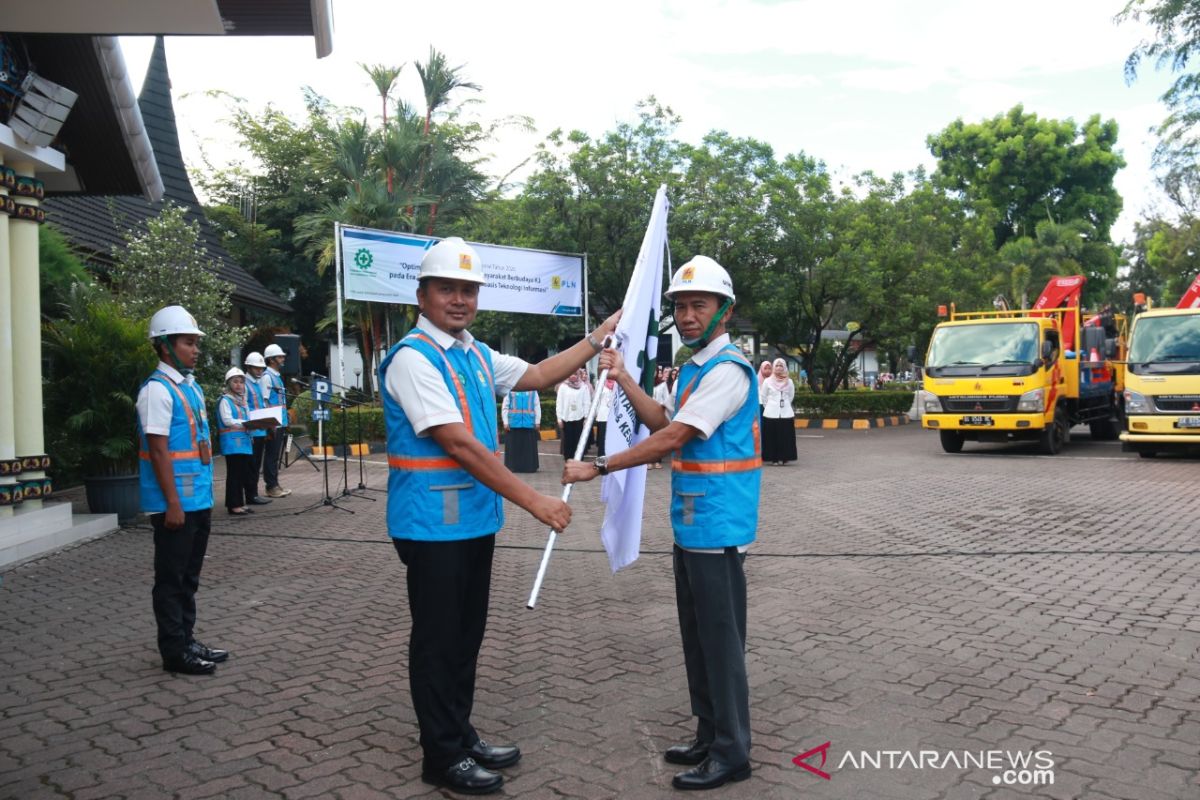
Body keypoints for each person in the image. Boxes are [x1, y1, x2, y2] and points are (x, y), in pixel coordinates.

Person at [379, 236, 621, 795]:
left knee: (465, 638)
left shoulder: (474, 353)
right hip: (430, 527)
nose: (459, 299)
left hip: (472, 523)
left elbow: (538, 375)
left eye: (468, 289)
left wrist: (595, 339)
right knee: (438, 642)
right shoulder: (414, 359)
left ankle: (460, 734)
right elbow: (459, 444)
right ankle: (441, 755)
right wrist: (536, 501)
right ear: (422, 294)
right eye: (447, 289)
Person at [563, 255, 759, 791]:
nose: (689, 314)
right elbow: (661, 419)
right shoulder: (695, 369)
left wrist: (600, 465)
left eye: (700, 304)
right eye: (681, 306)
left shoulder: (727, 371)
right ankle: (708, 732)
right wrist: (624, 376)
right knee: (697, 638)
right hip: (692, 523)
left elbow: (674, 439)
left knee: (720, 642)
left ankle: (732, 751)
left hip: (719, 526)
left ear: (726, 311)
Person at [135, 305, 228, 676]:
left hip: (197, 499)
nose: (195, 349)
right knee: (171, 580)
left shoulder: (188, 387)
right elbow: (158, 450)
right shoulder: (156, 391)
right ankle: (174, 651)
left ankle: (187, 639)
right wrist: (172, 503)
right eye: (189, 343)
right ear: (164, 346)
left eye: (195, 343)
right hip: (176, 504)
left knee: (189, 577)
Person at [218, 367, 255, 515]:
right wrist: (245, 423)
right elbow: (227, 420)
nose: (239, 385)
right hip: (232, 443)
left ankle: (240, 503)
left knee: (242, 474)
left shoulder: (242, 401)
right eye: (235, 382)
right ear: (229, 384)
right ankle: (233, 505)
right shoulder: (225, 400)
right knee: (234, 474)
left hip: (244, 443)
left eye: (241, 382)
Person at [260, 343, 291, 498]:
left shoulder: (276, 377)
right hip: (273, 423)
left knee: (275, 456)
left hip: (280, 421)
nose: (282, 358)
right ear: (271, 359)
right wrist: (270, 423)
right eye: (279, 356)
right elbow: (264, 401)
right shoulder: (267, 377)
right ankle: (271, 486)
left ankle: (275, 484)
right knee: (271, 455)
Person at [241, 352, 272, 506]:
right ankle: (251, 495)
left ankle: (253, 493)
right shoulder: (245, 384)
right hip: (252, 431)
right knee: (251, 465)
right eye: (256, 368)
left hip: (260, 430)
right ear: (249, 367)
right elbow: (245, 407)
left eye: (261, 368)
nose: (260, 371)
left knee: (256, 464)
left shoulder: (256, 383)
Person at [759, 358, 797, 466]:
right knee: (772, 437)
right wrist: (771, 406)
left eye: (781, 366)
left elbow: (791, 395)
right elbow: (764, 396)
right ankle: (774, 459)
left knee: (785, 437)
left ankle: (785, 458)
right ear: (773, 368)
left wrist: (785, 404)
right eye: (777, 365)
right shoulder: (767, 381)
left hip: (786, 413)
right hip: (771, 413)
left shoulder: (789, 381)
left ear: (784, 367)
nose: (779, 368)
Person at [501, 390, 541, 473]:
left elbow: (537, 406)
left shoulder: (533, 391)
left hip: (529, 423)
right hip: (514, 423)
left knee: (528, 448)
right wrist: (505, 422)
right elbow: (505, 407)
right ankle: (512, 467)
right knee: (513, 448)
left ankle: (529, 467)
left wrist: (537, 421)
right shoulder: (509, 390)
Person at [555, 370, 591, 459]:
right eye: (571, 373)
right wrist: (559, 418)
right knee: (568, 440)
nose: (573, 376)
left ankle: (578, 458)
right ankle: (568, 458)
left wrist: (586, 418)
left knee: (579, 440)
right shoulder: (563, 387)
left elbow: (586, 402)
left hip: (580, 417)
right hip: (566, 418)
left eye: (575, 374)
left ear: (578, 375)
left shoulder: (583, 387)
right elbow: (559, 403)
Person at [593, 378, 615, 458]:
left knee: (612, 439)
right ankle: (601, 459)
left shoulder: (617, 383)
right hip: (603, 415)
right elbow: (597, 399)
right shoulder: (600, 382)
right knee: (602, 439)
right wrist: (596, 413)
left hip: (613, 416)